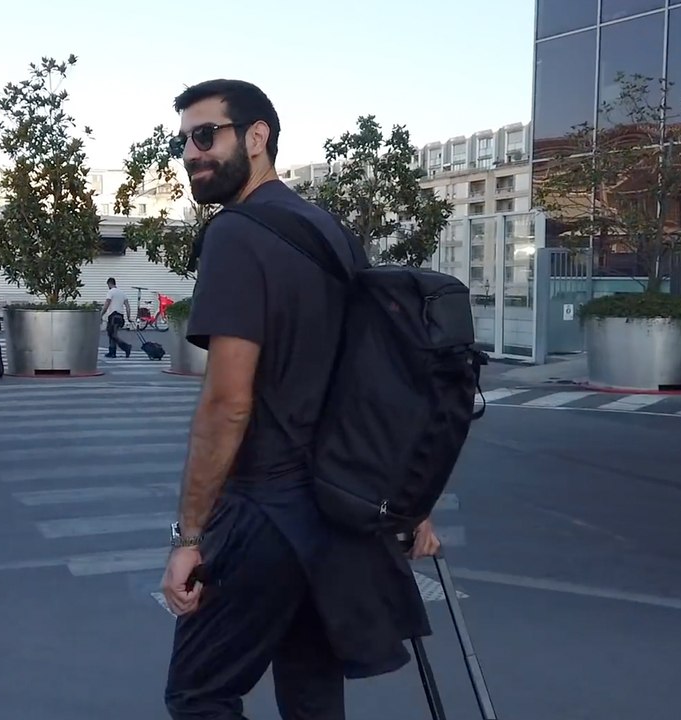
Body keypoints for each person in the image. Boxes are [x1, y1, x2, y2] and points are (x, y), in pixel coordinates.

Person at [159, 79, 442, 719]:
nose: (191, 154)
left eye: (207, 135)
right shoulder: (328, 232)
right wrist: (408, 499)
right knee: (311, 694)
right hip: (334, 514)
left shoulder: (235, 234)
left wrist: (190, 536)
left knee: (200, 692)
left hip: (264, 506)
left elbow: (228, 401)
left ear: (257, 137)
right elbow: (371, 378)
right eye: (184, 142)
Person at [101, 277, 132, 358]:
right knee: (112, 334)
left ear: (109, 284)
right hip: (120, 317)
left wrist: (101, 314)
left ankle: (126, 347)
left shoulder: (110, 292)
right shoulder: (122, 293)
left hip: (113, 316)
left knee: (112, 335)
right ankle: (112, 352)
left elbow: (106, 304)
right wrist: (128, 317)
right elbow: (128, 306)